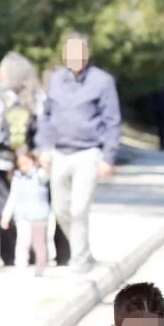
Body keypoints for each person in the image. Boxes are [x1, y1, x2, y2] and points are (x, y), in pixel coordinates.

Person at [37, 32, 122, 274]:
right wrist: (44, 148)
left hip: (88, 152)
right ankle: (82, 250)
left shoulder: (102, 81)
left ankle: (80, 260)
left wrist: (108, 156)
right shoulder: (55, 80)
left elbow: (112, 121)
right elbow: (46, 116)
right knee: (61, 208)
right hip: (60, 152)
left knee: (79, 208)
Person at [0, 52, 56, 266]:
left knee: (3, 207)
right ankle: (35, 253)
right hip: (27, 161)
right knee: (32, 204)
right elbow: (43, 128)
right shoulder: (36, 95)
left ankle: (10, 255)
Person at [0, 145, 52, 277]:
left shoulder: (40, 175)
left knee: (39, 244)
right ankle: (21, 266)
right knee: (23, 241)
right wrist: (6, 215)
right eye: (20, 165)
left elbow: (48, 173)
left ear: (33, 161)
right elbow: (13, 197)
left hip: (39, 215)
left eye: (26, 163)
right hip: (22, 215)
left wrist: (45, 162)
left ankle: (41, 266)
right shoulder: (17, 178)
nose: (24, 167)